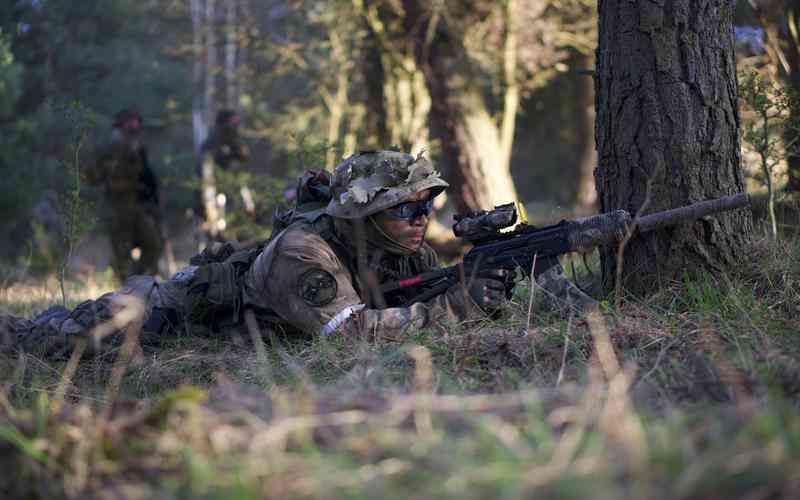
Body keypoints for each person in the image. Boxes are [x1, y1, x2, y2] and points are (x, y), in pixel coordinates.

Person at [2, 150, 594, 355]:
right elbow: (352, 333)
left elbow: (413, 294)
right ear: (364, 214)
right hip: (169, 312)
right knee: (52, 338)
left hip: (239, 325)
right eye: (407, 209)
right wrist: (455, 309)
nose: (422, 221)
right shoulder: (303, 251)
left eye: (426, 208)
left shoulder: (395, 245)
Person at [86, 108, 163, 280]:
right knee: (122, 253)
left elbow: (145, 176)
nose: (135, 126)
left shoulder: (136, 146)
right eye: (131, 122)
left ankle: (140, 281)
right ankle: (126, 291)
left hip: (138, 206)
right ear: (122, 125)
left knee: (153, 245)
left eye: (137, 122)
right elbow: (94, 175)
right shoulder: (110, 145)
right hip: (117, 208)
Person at [198, 109, 252, 240]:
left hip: (234, 194)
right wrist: (209, 204)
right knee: (220, 235)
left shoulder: (234, 143)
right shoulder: (210, 144)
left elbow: (243, 159)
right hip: (217, 196)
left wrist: (248, 201)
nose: (234, 126)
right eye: (232, 123)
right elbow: (207, 175)